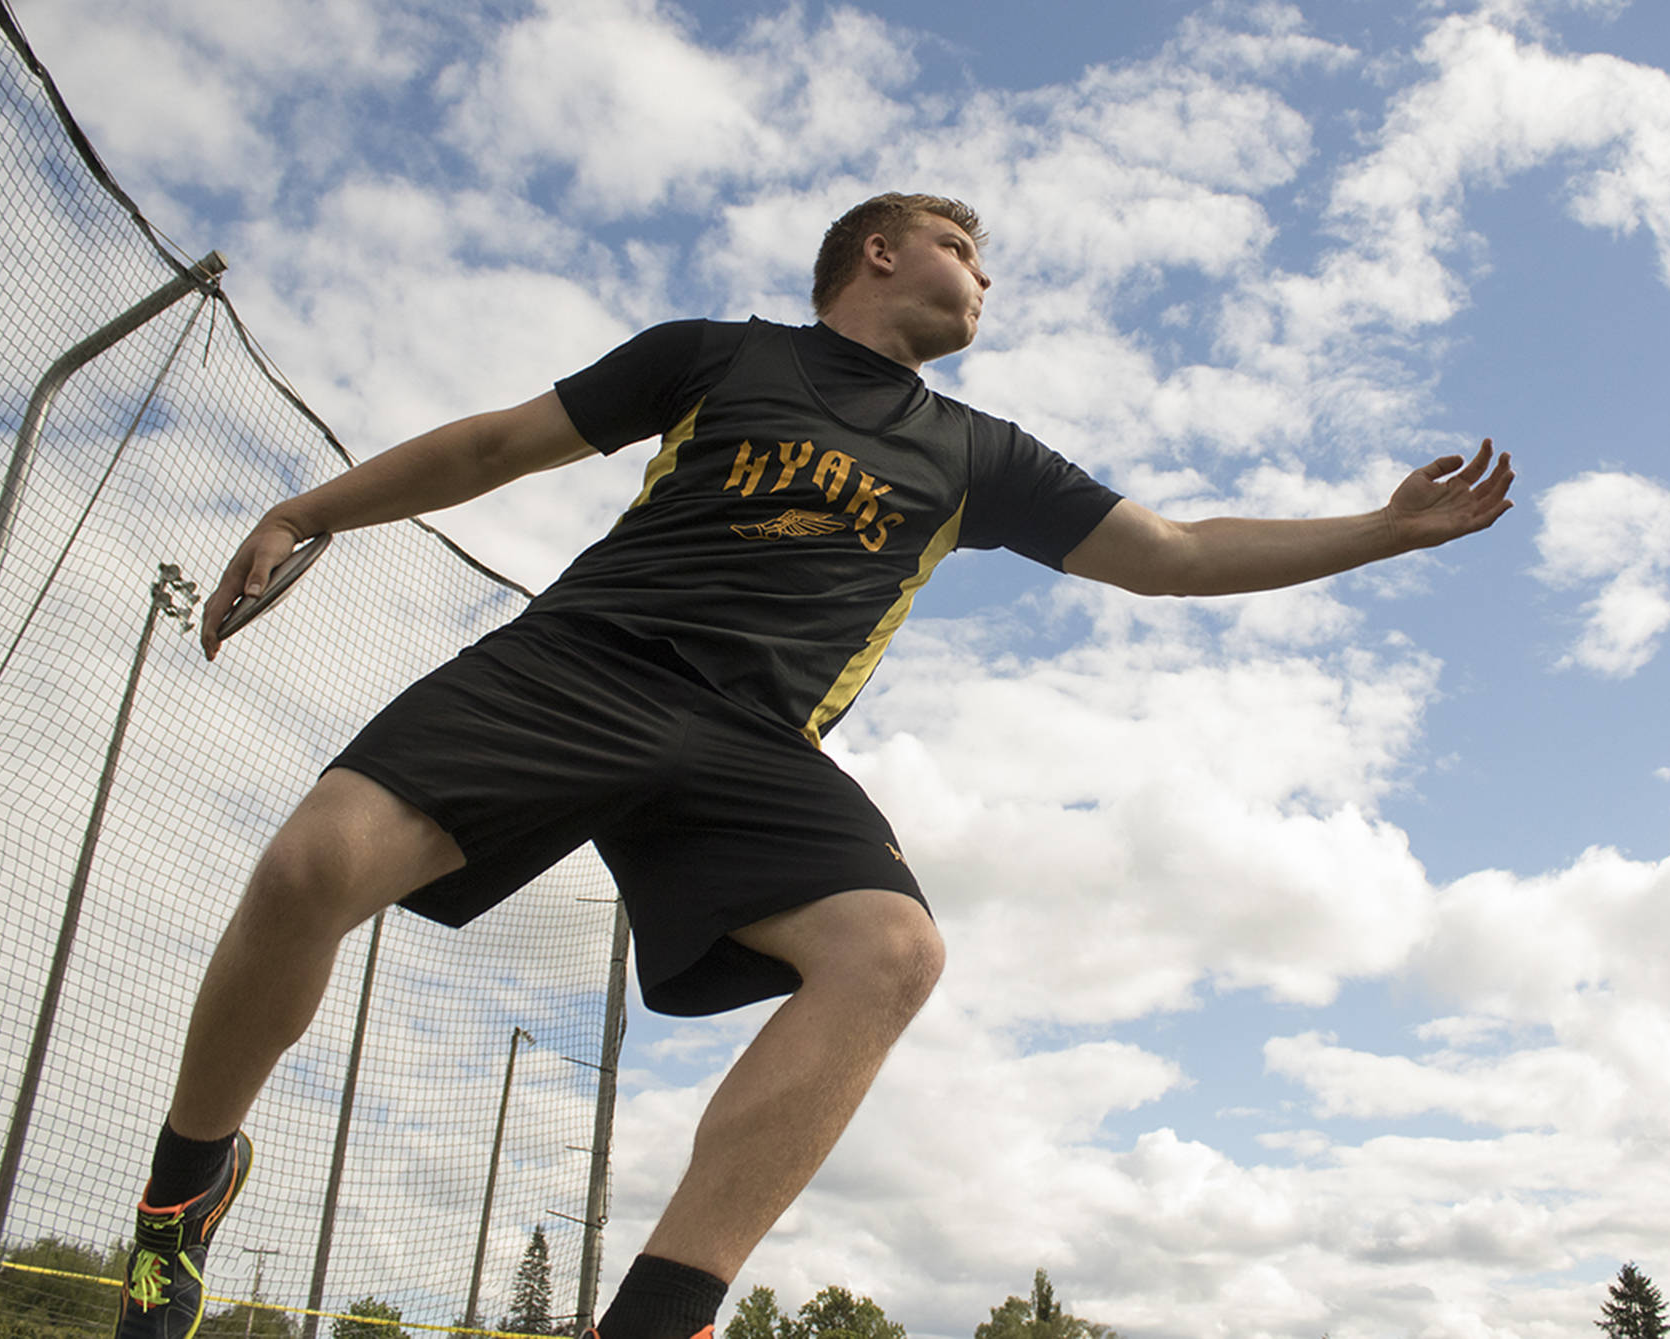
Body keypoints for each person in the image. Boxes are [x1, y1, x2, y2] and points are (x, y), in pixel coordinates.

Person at [112, 192, 1514, 1339]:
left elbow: (1175, 554)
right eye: (963, 248)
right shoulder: (712, 355)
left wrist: (1380, 531)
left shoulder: (976, 454)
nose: (984, 278)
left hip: (754, 743)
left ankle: (659, 1319)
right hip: (578, 667)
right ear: (879, 251)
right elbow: (495, 444)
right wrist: (307, 509)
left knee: (890, 950)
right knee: (308, 867)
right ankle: (184, 1196)